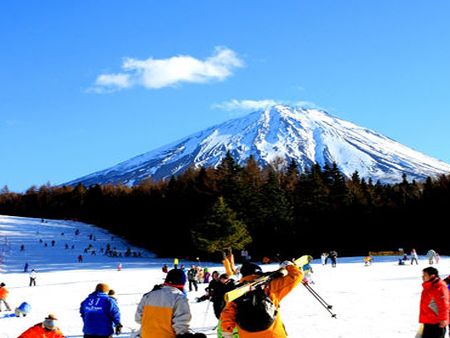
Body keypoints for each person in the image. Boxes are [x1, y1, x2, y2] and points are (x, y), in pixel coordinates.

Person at [220, 260, 303, 337]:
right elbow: (296, 276)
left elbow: (227, 312)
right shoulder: (270, 286)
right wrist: (289, 266)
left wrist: (227, 331)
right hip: (274, 334)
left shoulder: (237, 292)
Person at [135, 268, 207, 338]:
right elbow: (181, 326)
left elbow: (138, 318)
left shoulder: (149, 295)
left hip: (146, 335)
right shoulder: (179, 298)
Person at [419, 267, 449, 338]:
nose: (422, 277)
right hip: (428, 321)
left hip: (437, 323)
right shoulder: (429, 286)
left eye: (425, 275)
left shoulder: (439, 287)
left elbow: (444, 304)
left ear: (432, 276)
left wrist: (444, 319)